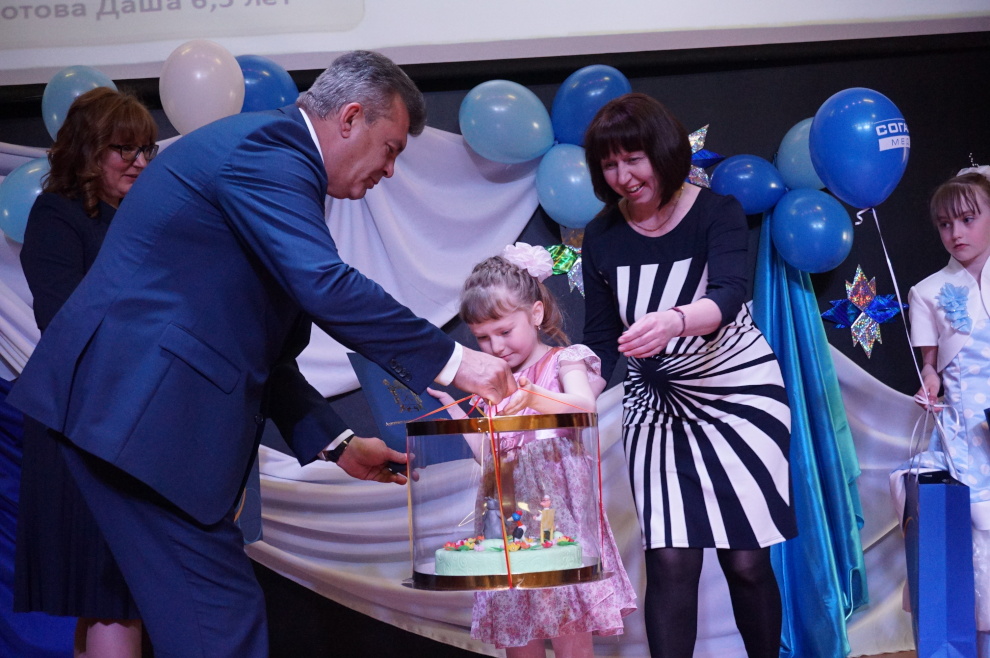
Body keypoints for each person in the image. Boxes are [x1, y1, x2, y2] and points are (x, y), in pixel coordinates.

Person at [7, 50, 515, 658]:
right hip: (136, 418)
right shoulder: (268, 151)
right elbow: (325, 284)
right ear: (350, 117)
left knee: (214, 621)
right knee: (219, 622)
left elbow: (260, 351)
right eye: (391, 149)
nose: (389, 170)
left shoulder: (273, 160)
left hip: (133, 420)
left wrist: (339, 444)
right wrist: (457, 362)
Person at [581, 93, 797, 658]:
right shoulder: (601, 237)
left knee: (746, 561)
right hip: (656, 407)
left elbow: (729, 295)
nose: (624, 176)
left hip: (738, 396)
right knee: (671, 561)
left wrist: (672, 321)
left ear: (663, 152)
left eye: (634, 159)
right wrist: (571, 395)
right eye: (610, 164)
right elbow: (602, 343)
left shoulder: (716, 211)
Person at [429, 244, 637, 658]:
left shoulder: (564, 361)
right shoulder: (491, 381)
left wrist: (532, 396)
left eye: (505, 331)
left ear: (536, 314)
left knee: (568, 625)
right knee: (518, 630)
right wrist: (456, 411)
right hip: (507, 522)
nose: (495, 346)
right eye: (482, 337)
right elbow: (488, 455)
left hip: (559, 522)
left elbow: (584, 407)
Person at [15, 86, 158, 658]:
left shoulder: (137, 219)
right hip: (83, 426)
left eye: (146, 150)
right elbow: (64, 319)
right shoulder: (58, 214)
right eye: (126, 150)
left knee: (109, 597)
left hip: (122, 426)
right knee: (109, 594)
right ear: (88, 150)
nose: (140, 162)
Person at [908, 166, 990, 657]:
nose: (956, 233)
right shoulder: (927, 291)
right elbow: (931, 367)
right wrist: (930, 384)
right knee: (975, 546)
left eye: (968, 219)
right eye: (945, 224)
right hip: (967, 435)